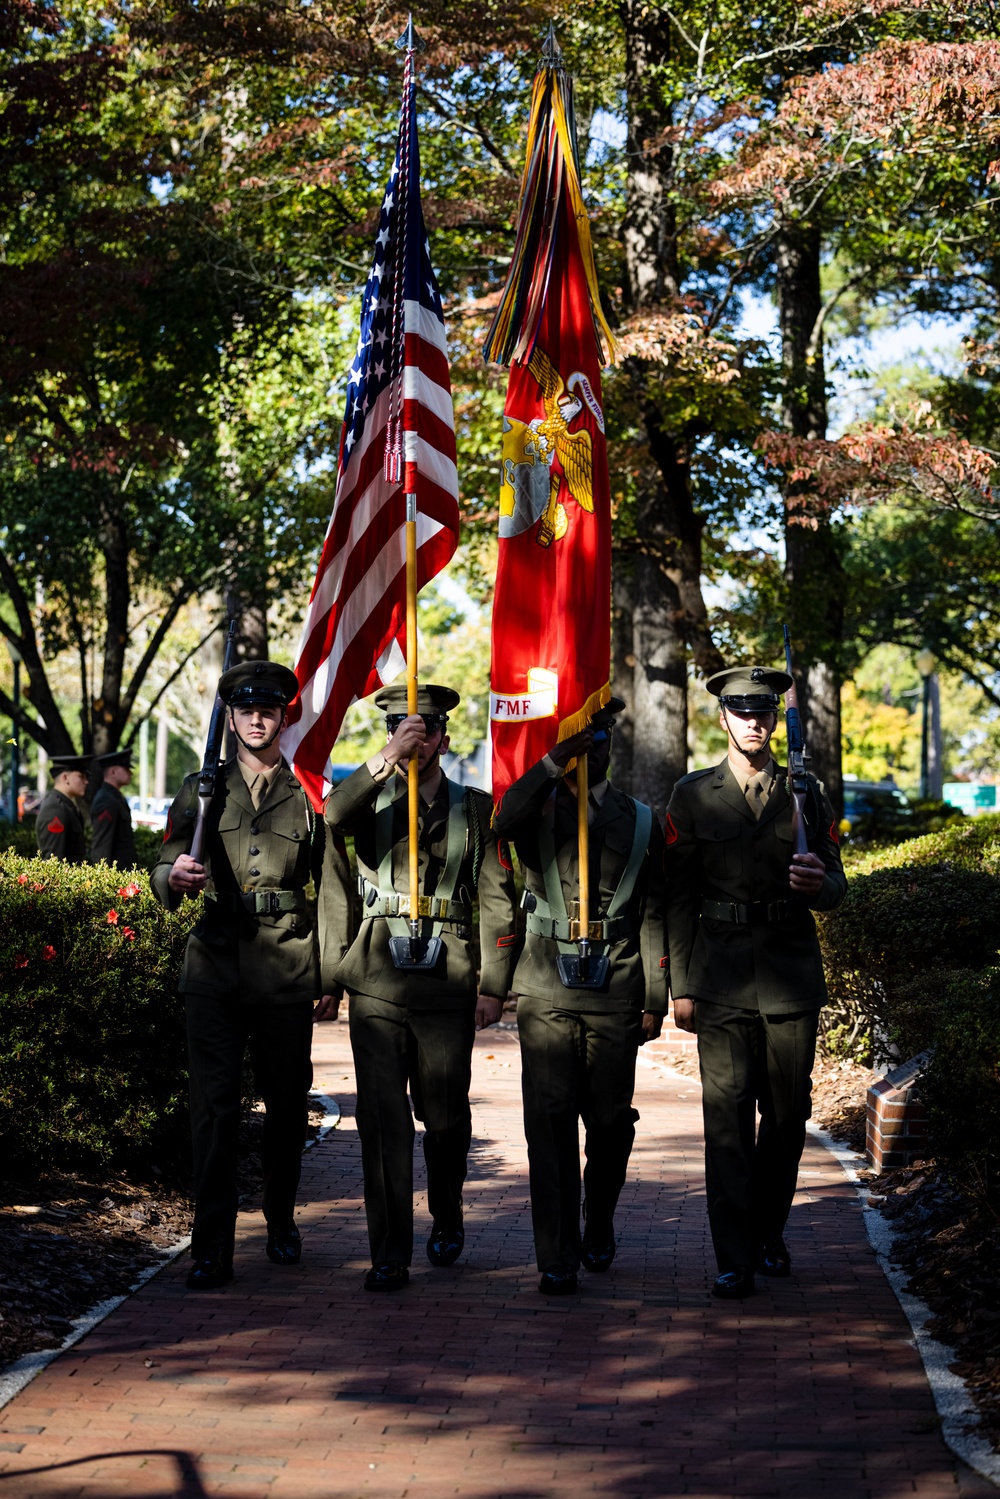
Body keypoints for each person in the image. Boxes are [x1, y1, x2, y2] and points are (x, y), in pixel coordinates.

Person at [152, 660, 350, 1291]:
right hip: (213, 967)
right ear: (231, 718)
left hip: (287, 969)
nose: (257, 720)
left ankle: (281, 1218)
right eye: (245, 711)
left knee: (288, 1108)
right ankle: (210, 1246)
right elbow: (165, 860)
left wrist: (330, 973)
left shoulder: (308, 793)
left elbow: (332, 889)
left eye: (268, 711)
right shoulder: (201, 788)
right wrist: (173, 877)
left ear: (283, 717)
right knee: (211, 1111)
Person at [325, 683, 518, 1295]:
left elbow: (494, 897)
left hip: (449, 980)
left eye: (428, 730)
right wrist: (386, 762)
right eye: (406, 729)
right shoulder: (368, 798)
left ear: (444, 737)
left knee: (445, 1115)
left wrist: (494, 984)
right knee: (382, 1122)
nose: (419, 739)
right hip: (379, 980)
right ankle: (389, 1251)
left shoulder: (477, 808)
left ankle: (448, 1209)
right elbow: (329, 816)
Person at [664, 665, 847, 1300]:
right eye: (741, 711)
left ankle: (770, 1231)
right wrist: (679, 985)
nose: (754, 722)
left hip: (790, 973)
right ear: (722, 718)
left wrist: (818, 884)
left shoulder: (806, 792)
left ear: (775, 718)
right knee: (726, 1119)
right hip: (718, 977)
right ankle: (735, 1255)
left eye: (764, 711)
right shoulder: (692, 795)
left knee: (789, 1115)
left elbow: (837, 882)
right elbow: (676, 898)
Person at [493, 698, 667, 1296]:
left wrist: (655, 996)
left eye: (600, 741)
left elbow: (653, 911)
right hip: (546, 985)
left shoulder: (640, 819)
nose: (591, 752)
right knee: (548, 1124)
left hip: (616, 986)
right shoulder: (537, 810)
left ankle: (599, 1219)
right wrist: (549, 764)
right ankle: (557, 1254)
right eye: (581, 742)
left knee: (611, 1123)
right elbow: (501, 821)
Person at [36, 755, 91, 864]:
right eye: (81, 777)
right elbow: (53, 860)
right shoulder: (55, 809)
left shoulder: (66, 805)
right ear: (65, 778)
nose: (86, 782)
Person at [90, 749, 137, 868]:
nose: (130, 773)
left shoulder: (115, 797)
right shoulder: (106, 800)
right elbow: (102, 846)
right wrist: (103, 880)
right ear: (113, 772)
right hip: (115, 876)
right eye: (126, 769)